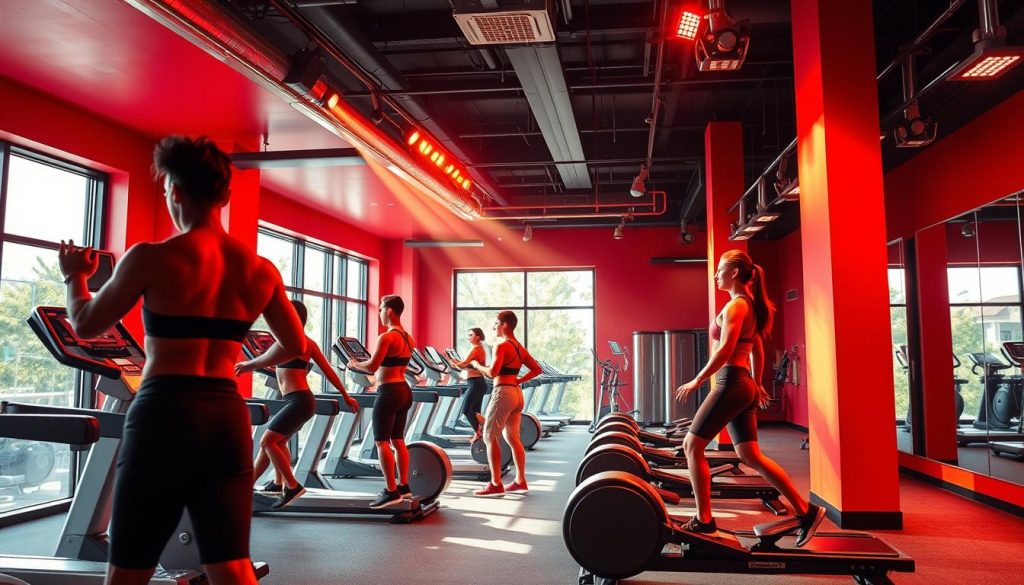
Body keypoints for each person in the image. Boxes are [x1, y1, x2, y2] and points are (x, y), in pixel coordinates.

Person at [58, 135, 306, 585]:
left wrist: (75, 278)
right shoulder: (260, 270)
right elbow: (296, 346)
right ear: (226, 194)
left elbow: (86, 324)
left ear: (173, 191)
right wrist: (250, 364)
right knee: (230, 562)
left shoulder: (152, 258)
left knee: (131, 563)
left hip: (164, 411)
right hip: (225, 415)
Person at [674, 250, 824, 546]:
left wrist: (698, 379)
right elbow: (755, 348)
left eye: (719, 270)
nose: (715, 275)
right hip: (742, 383)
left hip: (731, 383)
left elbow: (725, 350)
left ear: (732, 272)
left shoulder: (736, 307)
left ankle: (705, 521)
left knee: (691, 445)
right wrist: (755, 382)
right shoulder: (749, 306)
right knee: (750, 455)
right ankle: (806, 510)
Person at [234, 300, 360, 509]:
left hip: (299, 400)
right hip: (298, 400)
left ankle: (292, 486)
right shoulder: (304, 342)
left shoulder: (290, 343)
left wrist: (247, 365)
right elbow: (325, 371)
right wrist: (345, 395)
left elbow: (264, 360)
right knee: (277, 443)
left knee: (268, 442)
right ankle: (275, 483)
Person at [346, 294, 415, 509]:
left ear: (390, 311)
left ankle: (391, 490)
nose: (379, 314)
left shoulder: (386, 337)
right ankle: (404, 485)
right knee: (398, 440)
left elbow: (372, 367)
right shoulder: (407, 337)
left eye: (381, 309)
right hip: (404, 389)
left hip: (389, 392)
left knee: (381, 442)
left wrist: (354, 364)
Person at [469, 311, 542, 497]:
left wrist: (476, 365)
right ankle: (520, 481)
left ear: (505, 325)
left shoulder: (501, 345)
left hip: (503, 393)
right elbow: (536, 369)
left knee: (489, 436)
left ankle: (495, 484)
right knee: (513, 438)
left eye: (496, 323)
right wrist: (519, 381)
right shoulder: (519, 347)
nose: (493, 327)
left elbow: (492, 373)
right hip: (516, 393)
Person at [450, 327, 489, 442]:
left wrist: (452, 362)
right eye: (468, 335)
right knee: (475, 411)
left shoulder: (476, 349)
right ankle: (480, 432)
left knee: (466, 411)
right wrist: (457, 362)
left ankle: (485, 428)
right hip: (478, 383)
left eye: (471, 335)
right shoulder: (479, 349)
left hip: (475, 383)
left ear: (478, 337)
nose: (469, 338)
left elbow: (462, 365)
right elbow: (466, 364)